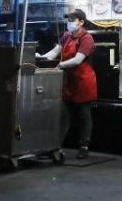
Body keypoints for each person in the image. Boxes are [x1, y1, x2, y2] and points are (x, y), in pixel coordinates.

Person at [36, 9, 97, 159]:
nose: (69, 22)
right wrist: (41, 57)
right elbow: (54, 52)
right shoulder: (67, 36)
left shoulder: (87, 38)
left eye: (72, 19)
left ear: (81, 22)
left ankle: (84, 146)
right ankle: (54, 146)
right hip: (69, 82)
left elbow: (77, 60)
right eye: (68, 19)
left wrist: (59, 65)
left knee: (84, 115)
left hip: (84, 82)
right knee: (62, 115)